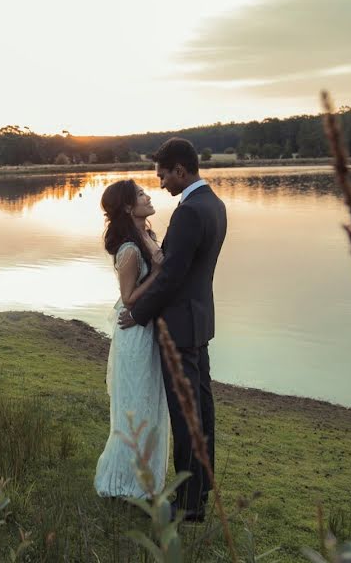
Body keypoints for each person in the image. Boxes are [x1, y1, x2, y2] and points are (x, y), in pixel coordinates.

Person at [118, 137, 227, 522]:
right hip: (199, 321)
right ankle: (200, 489)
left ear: (181, 170)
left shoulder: (189, 213)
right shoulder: (214, 204)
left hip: (179, 327)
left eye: (163, 174)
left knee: (186, 415)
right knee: (202, 408)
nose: (161, 182)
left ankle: (189, 504)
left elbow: (171, 278)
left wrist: (138, 313)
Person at [94, 179, 170, 499]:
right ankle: (123, 483)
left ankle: (147, 481)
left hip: (150, 330)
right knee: (137, 408)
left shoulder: (148, 235)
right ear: (128, 206)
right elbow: (128, 299)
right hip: (135, 335)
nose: (148, 195)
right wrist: (155, 273)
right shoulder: (128, 249)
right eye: (140, 194)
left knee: (152, 406)